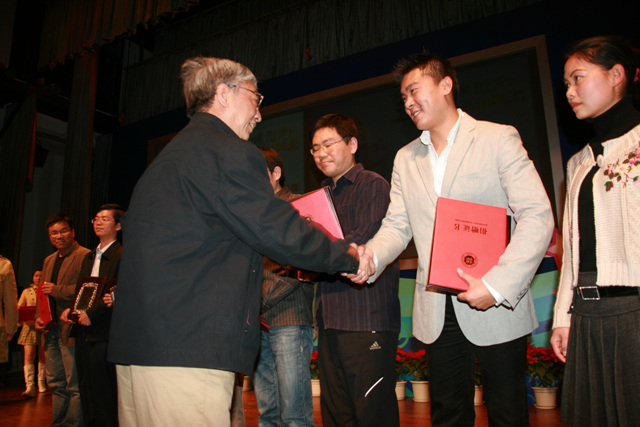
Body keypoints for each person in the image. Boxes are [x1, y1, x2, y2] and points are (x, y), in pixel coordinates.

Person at [107, 56, 359, 427]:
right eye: (256, 99)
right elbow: (277, 229)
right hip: (188, 349)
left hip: (139, 346)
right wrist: (348, 256)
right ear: (224, 93)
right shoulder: (227, 152)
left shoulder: (168, 158)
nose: (259, 113)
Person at [352, 53, 554, 427]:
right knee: (447, 414)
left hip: (495, 299)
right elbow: (397, 226)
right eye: (403, 97)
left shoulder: (497, 138)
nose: (408, 103)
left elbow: (537, 214)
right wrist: (370, 258)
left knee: (508, 413)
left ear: (445, 85)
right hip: (436, 308)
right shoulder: (405, 158)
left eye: (415, 91)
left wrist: (497, 285)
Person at [550, 36, 640, 427]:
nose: (570, 92)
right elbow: (572, 250)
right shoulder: (578, 163)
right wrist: (562, 316)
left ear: (616, 75)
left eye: (578, 78)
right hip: (586, 314)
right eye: (566, 83)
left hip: (633, 311)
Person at [311, 113, 401, 427]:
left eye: (328, 144)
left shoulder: (373, 185)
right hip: (330, 320)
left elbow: (360, 240)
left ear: (352, 144)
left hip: (366, 317)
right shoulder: (319, 197)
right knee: (337, 414)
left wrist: (308, 251)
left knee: (373, 414)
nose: (320, 153)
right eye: (315, 148)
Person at [252, 147, 316, 427]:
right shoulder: (251, 214)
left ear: (276, 173)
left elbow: (306, 260)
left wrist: (261, 298)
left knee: (294, 414)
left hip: (288, 316)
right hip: (257, 321)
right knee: (267, 413)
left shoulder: (300, 206)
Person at [60, 204, 124, 427]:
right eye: (96, 219)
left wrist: (92, 314)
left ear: (118, 226)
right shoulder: (89, 256)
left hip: (105, 331)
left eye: (105, 219)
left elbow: (116, 291)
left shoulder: (122, 254)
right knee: (86, 385)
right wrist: (71, 309)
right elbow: (83, 289)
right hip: (84, 329)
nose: (98, 222)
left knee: (104, 388)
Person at [35, 213, 90, 427]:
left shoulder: (84, 255)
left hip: (71, 329)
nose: (59, 236)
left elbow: (87, 290)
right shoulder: (49, 260)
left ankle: (74, 424)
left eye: (63, 231)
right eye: (54, 233)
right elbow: (42, 294)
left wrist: (57, 290)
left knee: (74, 385)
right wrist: (39, 318)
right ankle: (58, 423)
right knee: (56, 383)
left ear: (73, 232)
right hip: (51, 330)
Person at [17, 269, 47, 397]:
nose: (38, 278)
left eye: (41, 276)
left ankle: (41, 382)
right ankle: (29, 385)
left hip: (43, 325)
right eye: (36, 276)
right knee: (29, 355)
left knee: (42, 355)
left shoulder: (45, 290)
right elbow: (19, 307)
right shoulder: (26, 292)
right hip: (29, 326)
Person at [0, 254, 18, 384]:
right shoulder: (3, 265)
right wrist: (10, 328)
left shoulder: (4, 265)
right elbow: (10, 302)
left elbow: (10, 302)